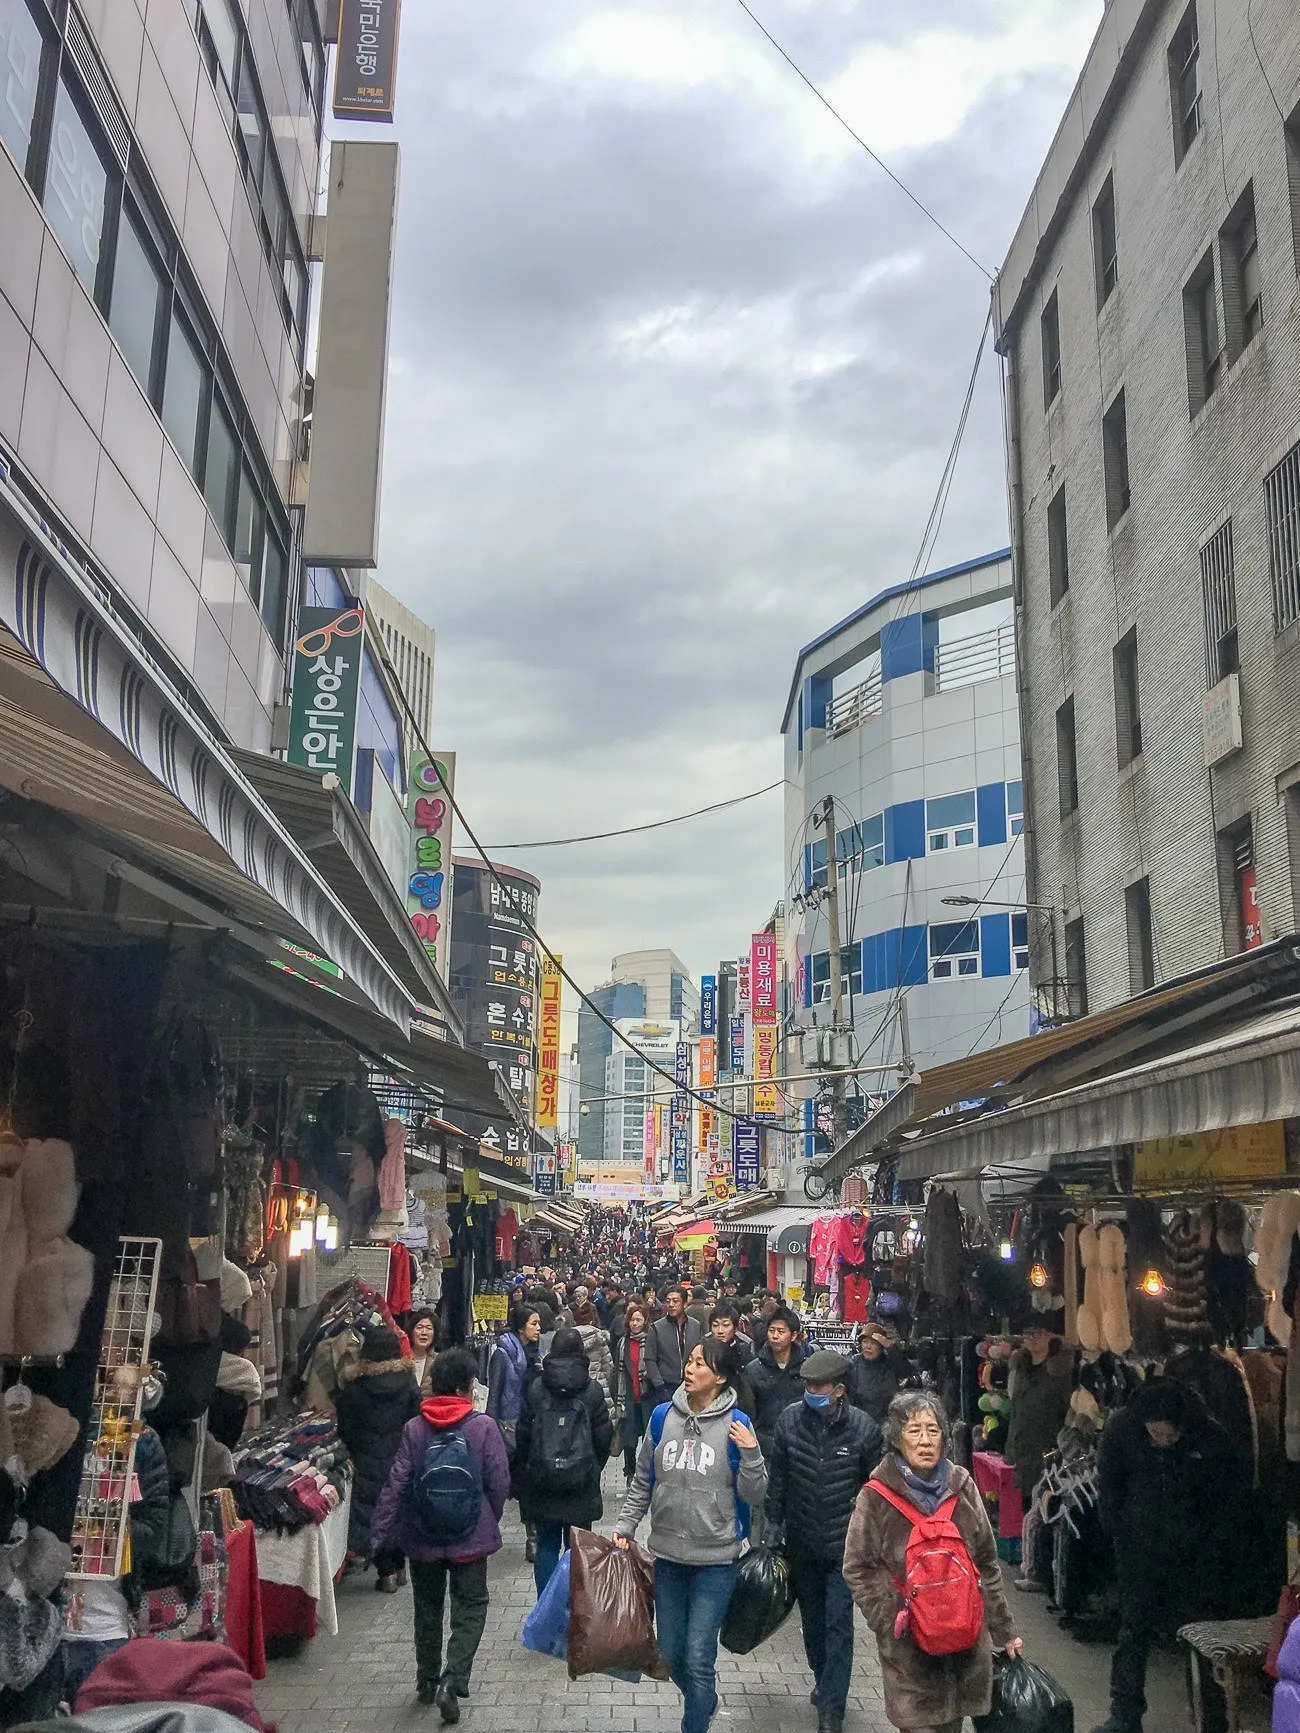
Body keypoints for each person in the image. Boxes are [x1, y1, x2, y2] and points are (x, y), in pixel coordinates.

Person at [842, 1391, 1021, 1733]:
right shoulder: (876, 1496)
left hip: (965, 1646)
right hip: (911, 1654)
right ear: (896, 1439)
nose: (925, 1441)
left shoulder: (962, 1485)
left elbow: (985, 1561)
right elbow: (857, 1566)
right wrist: (890, 1617)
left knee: (953, 1725)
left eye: (933, 1430)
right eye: (914, 1431)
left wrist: (1005, 1630)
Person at [614, 1338, 767, 1733]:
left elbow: (754, 1493)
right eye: (690, 1360)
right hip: (667, 1557)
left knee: (699, 1657)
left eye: (701, 1363)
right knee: (670, 1653)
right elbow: (644, 1478)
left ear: (719, 1377)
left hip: (716, 1561)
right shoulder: (663, 1417)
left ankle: (694, 1723)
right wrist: (626, 1526)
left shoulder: (739, 1424)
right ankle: (706, 1700)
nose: (690, 1367)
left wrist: (751, 1453)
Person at [369, 1348, 510, 1722]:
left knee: (427, 1608)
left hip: (424, 1536)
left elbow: (397, 1483)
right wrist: (486, 1517)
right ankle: (454, 1679)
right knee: (471, 1608)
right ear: (465, 1388)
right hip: (471, 1538)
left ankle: (427, 1680)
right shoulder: (483, 1427)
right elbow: (499, 1482)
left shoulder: (415, 1428)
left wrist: (380, 1534)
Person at [1092, 1378, 1234, 1733]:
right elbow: (1108, 1482)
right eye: (1156, 1434)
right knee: (1132, 1630)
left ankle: (1213, 1720)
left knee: (1203, 1635)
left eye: (1170, 1436)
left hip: (1196, 1554)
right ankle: (1124, 1715)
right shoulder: (1122, 1428)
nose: (1164, 1441)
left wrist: (1213, 1544)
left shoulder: (1210, 1436)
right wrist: (1116, 1529)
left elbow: (1227, 1499)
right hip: (1137, 1548)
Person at [765, 1348, 884, 1733]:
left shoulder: (864, 1429)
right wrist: (771, 1524)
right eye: (808, 1385)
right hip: (801, 1542)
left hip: (844, 1548)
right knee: (813, 1625)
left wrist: (874, 1540)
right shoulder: (789, 1421)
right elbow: (778, 1479)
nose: (812, 1391)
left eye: (819, 1386)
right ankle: (823, 1679)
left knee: (839, 1626)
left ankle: (833, 1707)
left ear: (839, 1390)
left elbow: (876, 1489)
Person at [514, 1325, 613, 1595]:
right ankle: (575, 1607)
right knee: (578, 1547)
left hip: (543, 1481)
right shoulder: (591, 1390)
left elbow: (522, 1434)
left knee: (546, 1545)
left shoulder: (537, 1388)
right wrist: (592, 1466)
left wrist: (528, 1468)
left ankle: (547, 1607)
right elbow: (604, 1436)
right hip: (580, 1482)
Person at [335, 1324, 421, 1591]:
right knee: (400, 1507)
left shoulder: (354, 1385)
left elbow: (345, 1425)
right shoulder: (407, 1379)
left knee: (375, 1510)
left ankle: (387, 1572)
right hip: (402, 1453)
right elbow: (416, 1417)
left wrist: (355, 1448)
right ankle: (400, 1562)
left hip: (367, 1455)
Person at [1004, 1321, 1073, 1500]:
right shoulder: (1019, 1369)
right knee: (1029, 1516)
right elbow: (1016, 1413)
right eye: (1027, 1333)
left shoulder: (1063, 1371)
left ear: (1050, 1334)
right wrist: (1011, 1450)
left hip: (1052, 1458)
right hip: (1024, 1456)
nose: (1032, 1338)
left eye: (1038, 1332)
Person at [749, 1305, 807, 1457]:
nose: (775, 1336)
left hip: (799, 1444)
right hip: (764, 1444)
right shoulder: (754, 1370)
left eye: (781, 1331)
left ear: (793, 1335)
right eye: (771, 1330)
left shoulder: (806, 1370)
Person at [486, 1305, 542, 1443]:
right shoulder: (503, 1354)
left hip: (530, 1419)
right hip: (508, 1422)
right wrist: (490, 1427)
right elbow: (494, 1394)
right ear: (521, 1328)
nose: (539, 1328)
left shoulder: (535, 1353)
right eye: (534, 1324)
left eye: (539, 1323)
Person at [642, 1286, 704, 1402]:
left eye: (675, 1301)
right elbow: (649, 1359)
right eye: (668, 1301)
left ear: (685, 1304)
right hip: (665, 1386)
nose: (671, 1305)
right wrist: (660, 1386)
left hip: (690, 1384)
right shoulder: (656, 1328)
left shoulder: (695, 1326)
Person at [615, 1301, 654, 1484]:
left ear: (645, 1321)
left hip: (647, 1396)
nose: (635, 1324)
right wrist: (619, 1399)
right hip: (629, 1396)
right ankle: (630, 1471)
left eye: (639, 1320)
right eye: (632, 1320)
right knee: (629, 1439)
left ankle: (647, 1474)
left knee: (648, 1439)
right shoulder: (623, 1343)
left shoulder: (652, 1340)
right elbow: (619, 1371)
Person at [845, 1325, 899, 1426]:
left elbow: (906, 1370)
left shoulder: (890, 1364)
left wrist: (891, 1347)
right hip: (859, 1422)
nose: (868, 1347)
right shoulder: (853, 1364)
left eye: (873, 1343)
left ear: (881, 1347)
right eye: (865, 1342)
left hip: (886, 1422)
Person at [408, 1309, 438, 1396]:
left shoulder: (439, 1362)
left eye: (429, 1328)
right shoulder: (400, 1359)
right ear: (411, 1331)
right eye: (419, 1327)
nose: (424, 1333)